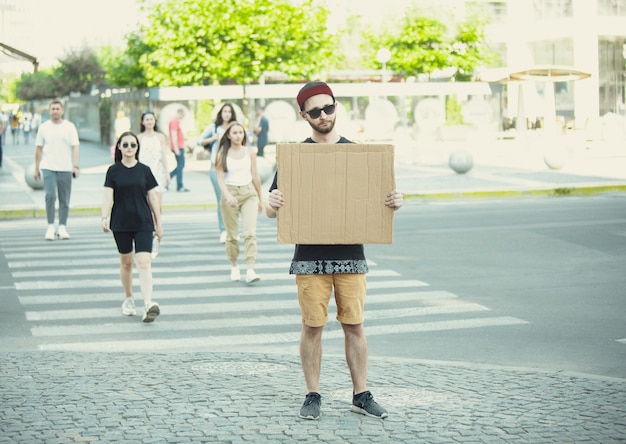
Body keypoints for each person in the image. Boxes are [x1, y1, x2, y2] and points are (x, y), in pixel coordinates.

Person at [265, 81, 404, 421]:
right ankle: (312, 394)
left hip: (351, 256)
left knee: (354, 324)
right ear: (304, 115)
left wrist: (394, 202)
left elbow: (380, 200)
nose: (323, 115)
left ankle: (361, 394)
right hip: (308, 258)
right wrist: (271, 204)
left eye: (328, 108)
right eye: (315, 111)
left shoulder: (357, 155)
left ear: (336, 107)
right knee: (312, 327)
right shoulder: (294, 158)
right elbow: (272, 210)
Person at [101, 131, 162, 323]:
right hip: (121, 222)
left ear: (137, 148)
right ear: (119, 147)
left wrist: (159, 223)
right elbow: (107, 195)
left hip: (143, 222)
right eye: (125, 145)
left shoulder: (144, 170)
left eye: (133, 145)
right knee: (126, 262)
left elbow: (152, 197)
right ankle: (128, 298)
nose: (129, 148)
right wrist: (104, 216)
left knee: (144, 262)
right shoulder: (113, 171)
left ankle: (148, 304)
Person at [215, 121, 262, 283]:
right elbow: (220, 178)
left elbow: (255, 176)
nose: (238, 135)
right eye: (234, 133)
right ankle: (234, 265)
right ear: (228, 135)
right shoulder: (222, 154)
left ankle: (250, 269)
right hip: (230, 192)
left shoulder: (250, 152)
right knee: (232, 235)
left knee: (250, 233)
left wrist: (260, 199)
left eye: (240, 132)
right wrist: (228, 196)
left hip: (249, 193)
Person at [34, 100, 80, 241]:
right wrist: (36, 167)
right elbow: (38, 148)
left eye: (57, 109)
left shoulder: (69, 127)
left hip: (65, 167)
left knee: (64, 198)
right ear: (49, 111)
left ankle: (62, 226)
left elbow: (75, 147)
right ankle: (50, 226)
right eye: (52, 109)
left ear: (62, 110)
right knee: (50, 195)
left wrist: (76, 166)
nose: (55, 111)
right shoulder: (44, 127)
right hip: (48, 166)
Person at [197, 102, 238, 243]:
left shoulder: (235, 127)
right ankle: (223, 230)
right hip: (216, 168)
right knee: (222, 200)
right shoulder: (214, 127)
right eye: (224, 111)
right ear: (220, 113)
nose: (227, 114)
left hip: (233, 169)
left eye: (229, 111)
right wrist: (212, 139)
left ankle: (232, 229)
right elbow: (199, 141)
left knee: (233, 199)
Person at [137, 110, 171, 215]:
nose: (149, 122)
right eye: (147, 119)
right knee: (146, 201)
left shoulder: (160, 137)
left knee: (158, 202)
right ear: (142, 122)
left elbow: (163, 156)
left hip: (158, 171)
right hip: (143, 172)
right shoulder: (139, 138)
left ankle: (158, 225)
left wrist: (167, 172)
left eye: (151, 119)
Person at [168, 108, 189, 192]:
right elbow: (174, 134)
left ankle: (168, 178)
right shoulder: (174, 121)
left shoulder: (175, 121)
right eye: (182, 116)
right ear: (180, 113)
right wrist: (176, 148)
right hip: (178, 147)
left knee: (181, 165)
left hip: (179, 146)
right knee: (180, 166)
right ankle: (179, 186)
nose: (182, 118)